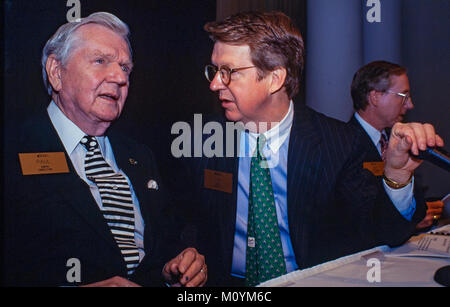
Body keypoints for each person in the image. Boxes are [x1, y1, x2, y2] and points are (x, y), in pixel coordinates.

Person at [177, 11, 445, 286]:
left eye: (228, 72)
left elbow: (382, 232)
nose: (214, 84)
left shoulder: (338, 144)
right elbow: (184, 223)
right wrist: (184, 255)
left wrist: (397, 177)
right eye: (214, 70)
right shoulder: (201, 140)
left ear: (275, 79)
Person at [3, 12, 206, 287]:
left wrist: (178, 266)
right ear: (56, 72)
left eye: (125, 68)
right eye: (100, 61)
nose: (119, 77)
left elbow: (163, 248)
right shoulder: (12, 151)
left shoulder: (140, 157)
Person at [348, 60, 444, 229]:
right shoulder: (343, 145)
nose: (410, 105)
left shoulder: (397, 143)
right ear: (375, 97)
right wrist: (409, 223)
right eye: (403, 96)